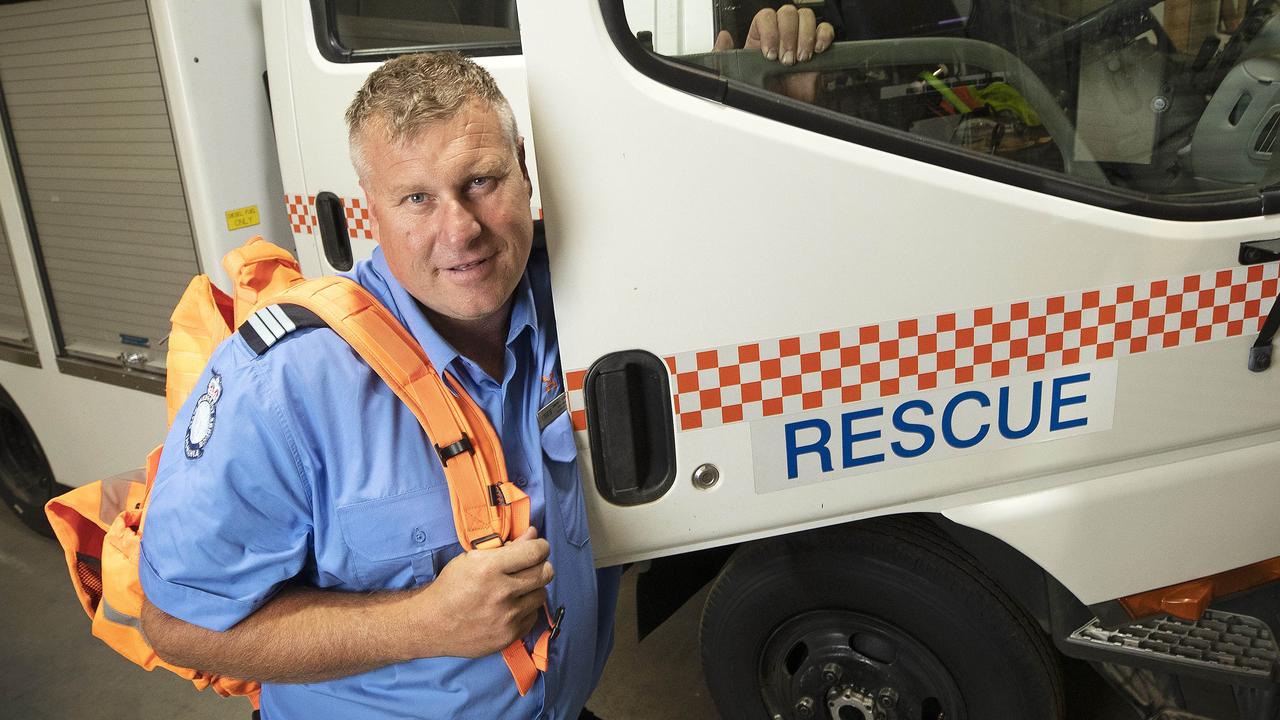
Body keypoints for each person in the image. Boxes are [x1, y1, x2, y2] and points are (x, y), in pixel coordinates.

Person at [138, 51, 619, 720]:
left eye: (481, 181)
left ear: (524, 171)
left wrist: (774, 75)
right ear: (372, 210)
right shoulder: (282, 387)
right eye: (417, 199)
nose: (461, 230)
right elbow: (174, 624)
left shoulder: (604, 301)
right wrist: (421, 624)